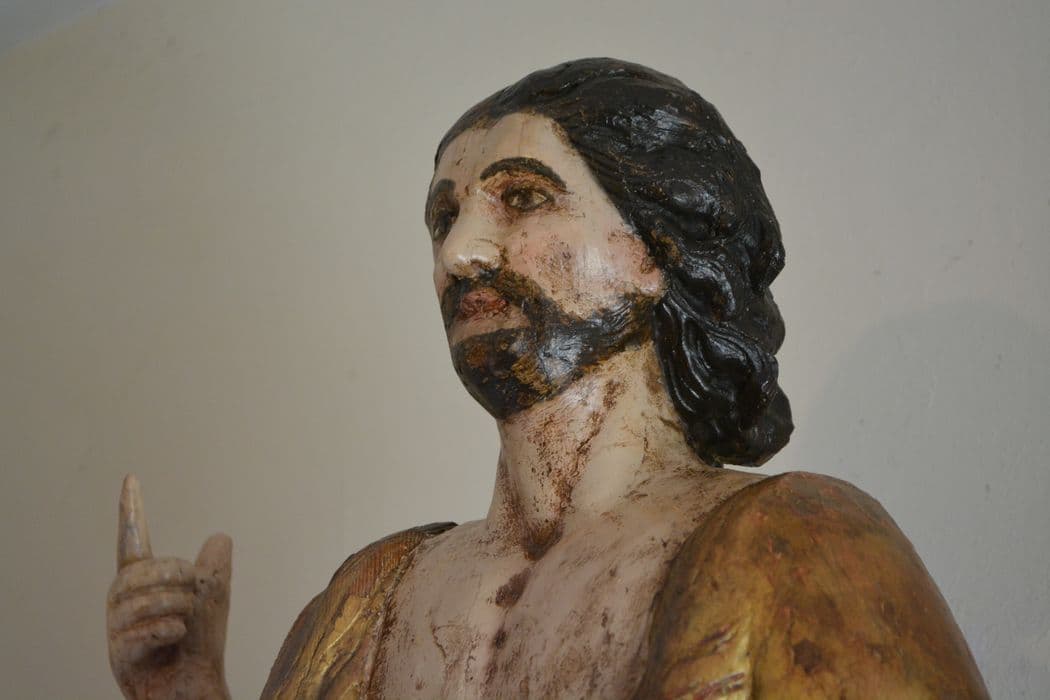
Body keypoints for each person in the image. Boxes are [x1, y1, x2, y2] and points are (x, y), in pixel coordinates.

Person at [106, 58, 988, 699]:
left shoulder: (804, 544)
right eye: (443, 217)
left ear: (655, 252)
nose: (459, 254)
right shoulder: (369, 596)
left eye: (522, 197)